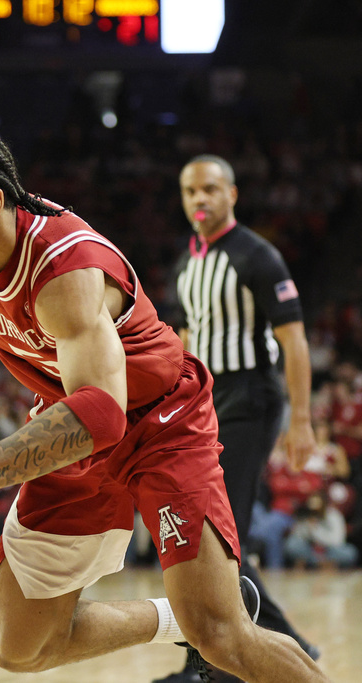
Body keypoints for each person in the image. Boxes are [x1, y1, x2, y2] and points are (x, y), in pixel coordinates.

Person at [0, 123, 327, 682]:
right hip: (70, 425)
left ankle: (208, 619)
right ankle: (177, 619)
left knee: (222, 638)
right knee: (20, 648)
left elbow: (102, 414)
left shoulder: (64, 271)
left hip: (159, 424)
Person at [161, 155, 320, 681]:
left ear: (232, 194)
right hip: (204, 406)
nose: (198, 200)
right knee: (216, 540)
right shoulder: (187, 264)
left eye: (209, 189)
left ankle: (211, 666)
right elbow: (184, 342)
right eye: (189, 191)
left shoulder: (257, 256)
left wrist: (302, 421)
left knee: (218, 542)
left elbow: (294, 341)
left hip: (251, 398)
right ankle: (290, 649)